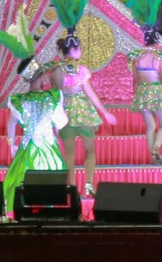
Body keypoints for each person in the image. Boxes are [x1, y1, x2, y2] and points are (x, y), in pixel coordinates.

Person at [47, 31, 116, 196]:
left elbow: (55, 96)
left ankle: (71, 188)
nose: (81, 51)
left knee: (69, 154)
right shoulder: (81, 69)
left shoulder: (55, 70)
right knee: (90, 149)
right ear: (74, 50)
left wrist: (53, 121)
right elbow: (91, 94)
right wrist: (105, 112)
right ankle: (89, 184)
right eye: (80, 48)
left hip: (64, 113)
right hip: (83, 112)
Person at [3, 59, 69, 217]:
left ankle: (25, 212)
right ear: (41, 77)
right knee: (51, 180)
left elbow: (11, 123)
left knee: (22, 179)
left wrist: (12, 144)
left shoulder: (20, 100)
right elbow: (62, 123)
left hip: (28, 147)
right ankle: (50, 214)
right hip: (48, 146)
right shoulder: (52, 97)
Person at [129, 24, 162, 165]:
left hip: (142, 92)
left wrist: (137, 94)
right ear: (157, 40)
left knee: (150, 126)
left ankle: (153, 158)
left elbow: (135, 80)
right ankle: (155, 149)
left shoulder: (136, 58)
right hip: (157, 92)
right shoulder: (160, 57)